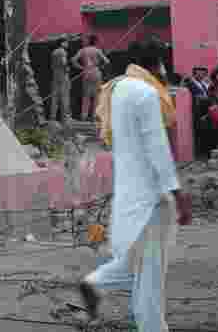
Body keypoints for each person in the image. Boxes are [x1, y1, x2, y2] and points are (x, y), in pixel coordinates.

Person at [79, 38, 192, 329]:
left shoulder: (116, 89)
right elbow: (157, 147)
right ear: (156, 65)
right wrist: (178, 194)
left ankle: (94, 283)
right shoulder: (146, 93)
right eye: (163, 65)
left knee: (137, 265)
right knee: (150, 275)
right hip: (152, 198)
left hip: (129, 193)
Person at [73, 35, 109, 122]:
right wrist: (100, 66)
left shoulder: (83, 50)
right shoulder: (97, 50)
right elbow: (107, 61)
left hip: (86, 72)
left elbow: (73, 60)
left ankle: (84, 116)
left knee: (86, 96)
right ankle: (93, 116)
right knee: (96, 96)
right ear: (96, 42)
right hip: (96, 72)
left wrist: (81, 67)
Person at [50, 41, 72, 123]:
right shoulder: (62, 52)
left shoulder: (54, 52)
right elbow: (64, 62)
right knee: (65, 96)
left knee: (55, 97)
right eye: (66, 42)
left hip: (55, 75)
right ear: (62, 43)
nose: (67, 44)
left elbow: (52, 65)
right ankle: (65, 118)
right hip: (63, 76)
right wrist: (67, 69)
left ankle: (53, 117)